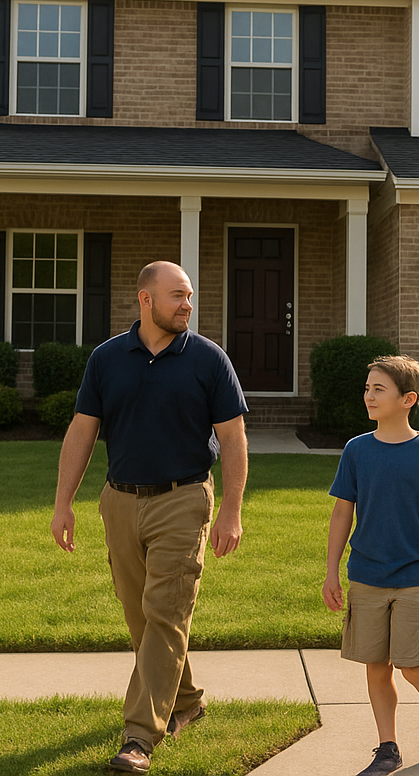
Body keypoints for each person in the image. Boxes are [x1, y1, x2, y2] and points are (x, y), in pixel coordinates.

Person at [50, 261, 249, 775]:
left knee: (165, 610)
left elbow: (232, 439)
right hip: (119, 500)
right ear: (146, 300)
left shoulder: (208, 359)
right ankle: (187, 701)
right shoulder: (107, 359)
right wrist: (63, 501)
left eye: (189, 296)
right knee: (141, 616)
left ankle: (139, 736)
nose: (187, 305)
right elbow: (82, 430)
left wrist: (231, 511)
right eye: (177, 296)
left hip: (183, 499)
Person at [323, 355, 419, 776]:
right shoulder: (357, 450)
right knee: (376, 662)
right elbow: (341, 514)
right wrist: (332, 571)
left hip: (415, 572)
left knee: (411, 663)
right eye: (367, 388)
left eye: (378, 389)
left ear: (408, 399)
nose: (369, 396)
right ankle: (387, 748)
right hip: (367, 573)